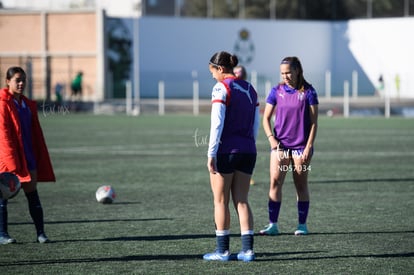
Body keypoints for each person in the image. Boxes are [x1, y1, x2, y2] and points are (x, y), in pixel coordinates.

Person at [203, 51, 260, 262]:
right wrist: (248, 144)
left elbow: (216, 124)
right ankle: (248, 251)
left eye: (212, 71)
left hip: (226, 151)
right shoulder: (249, 88)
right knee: (242, 201)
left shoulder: (220, 87)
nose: (212, 76)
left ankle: (222, 251)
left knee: (220, 201)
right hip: (248, 150)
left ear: (220, 68)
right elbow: (255, 125)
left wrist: (211, 153)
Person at [260, 56, 318, 236]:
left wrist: (308, 147)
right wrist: (272, 140)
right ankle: (273, 225)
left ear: (297, 71)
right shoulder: (276, 91)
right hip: (280, 147)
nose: (285, 76)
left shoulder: (309, 92)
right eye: (282, 73)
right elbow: (265, 119)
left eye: (288, 72)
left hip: (301, 147)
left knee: (300, 185)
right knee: (275, 182)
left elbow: (314, 123)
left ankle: (302, 225)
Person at [0, 66, 56, 244]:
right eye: (17, 80)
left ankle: (41, 233)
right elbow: (4, 134)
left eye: (24, 79)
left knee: (32, 194)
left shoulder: (27, 104)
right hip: (9, 159)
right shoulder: (2, 103)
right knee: (3, 196)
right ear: (8, 81)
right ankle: (2, 234)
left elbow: (34, 133)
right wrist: (11, 163)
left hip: (28, 156)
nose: (21, 83)